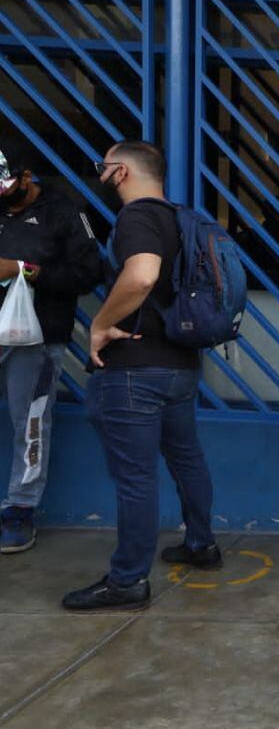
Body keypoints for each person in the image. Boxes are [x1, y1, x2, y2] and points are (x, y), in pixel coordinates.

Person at [62, 140, 219, 612]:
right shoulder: (180, 217)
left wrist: (100, 324)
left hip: (134, 371)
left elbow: (142, 275)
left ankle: (128, 580)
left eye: (103, 169)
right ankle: (201, 544)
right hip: (179, 366)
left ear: (121, 172)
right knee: (186, 458)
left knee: (135, 479)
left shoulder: (137, 218)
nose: (101, 177)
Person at [0, 146, 103, 553]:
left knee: (31, 424)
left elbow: (89, 274)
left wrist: (23, 270)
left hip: (37, 337)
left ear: (25, 178)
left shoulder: (64, 212)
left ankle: (19, 510)